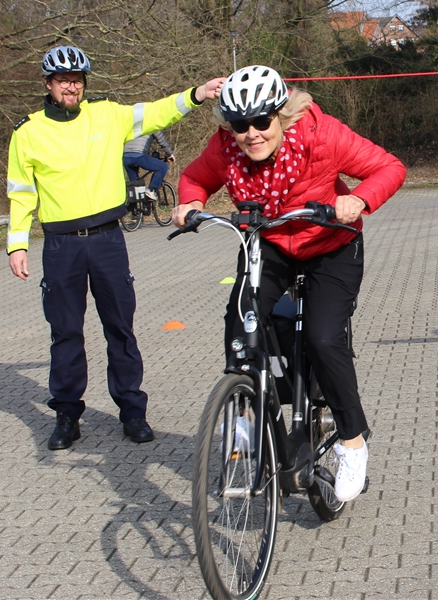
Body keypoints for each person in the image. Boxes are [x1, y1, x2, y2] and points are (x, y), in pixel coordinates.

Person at [173, 64, 405, 502]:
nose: (252, 134)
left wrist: (357, 199)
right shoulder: (225, 150)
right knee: (242, 317)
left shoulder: (323, 135)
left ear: (281, 115)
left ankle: (353, 442)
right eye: (240, 125)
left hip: (330, 242)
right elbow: (195, 179)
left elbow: (389, 167)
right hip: (272, 241)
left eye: (262, 121)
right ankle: (245, 415)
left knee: (322, 337)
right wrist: (190, 204)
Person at [6, 45, 225, 449]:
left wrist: (197, 93)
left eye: (77, 80)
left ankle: (132, 412)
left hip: (107, 238)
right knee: (66, 331)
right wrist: (17, 244)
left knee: (120, 328)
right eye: (62, 81)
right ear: (48, 85)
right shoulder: (28, 132)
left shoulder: (107, 115)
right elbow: (21, 193)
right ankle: (67, 416)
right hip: (61, 244)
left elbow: (156, 112)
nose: (70, 87)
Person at [123, 130, 175, 200]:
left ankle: (133, 207)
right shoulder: (153, 125)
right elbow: (162, 140)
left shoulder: (134, 125)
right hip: (139, 156)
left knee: (135, 186)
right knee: (163, 166)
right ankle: (150, 191)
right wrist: (170, 154)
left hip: (126, 157)